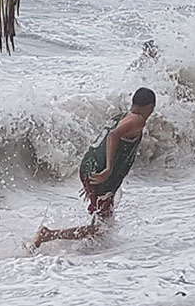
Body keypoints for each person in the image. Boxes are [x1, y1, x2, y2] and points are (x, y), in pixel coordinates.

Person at [29, 87, 157, 250]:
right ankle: (48, 235)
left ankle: (89, 250)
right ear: (150, 107)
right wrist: (108, 169)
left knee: (104, 225)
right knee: (100, 229)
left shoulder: (121, 116)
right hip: (100, 174)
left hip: (90, 167)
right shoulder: (137, 120)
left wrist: (91, 177)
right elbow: (113, 136)